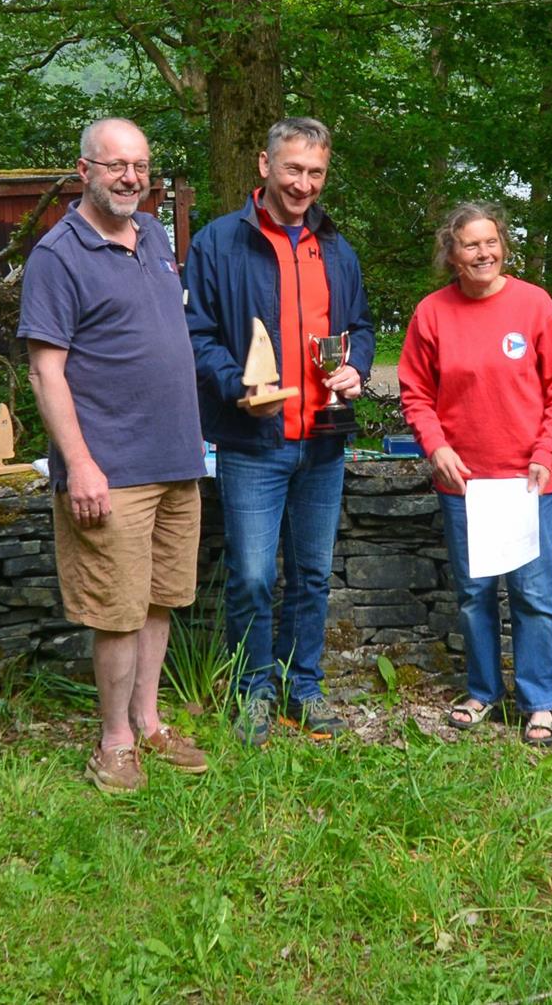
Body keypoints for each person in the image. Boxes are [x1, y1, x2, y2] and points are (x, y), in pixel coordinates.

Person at [18, 117, 208, 793]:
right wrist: (82, 463)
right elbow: (47, 371)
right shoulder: (57, 255)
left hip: (177, 460)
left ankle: (151, 723)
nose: (132, 176)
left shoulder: (154, 234)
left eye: (141, 165)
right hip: (112, 469)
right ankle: (114, 741)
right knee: (117, 610)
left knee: (158, 601)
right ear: (85, 171)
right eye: (117, 164)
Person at [184, 117, 375, 745]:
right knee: (253, 577)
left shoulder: (337, 247)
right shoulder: (217, 243)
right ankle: (254, 691)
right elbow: (197, 335)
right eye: (293, 169)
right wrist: (239, 389)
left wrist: (356, 368)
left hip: (323, 441)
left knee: (313, 573)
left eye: (315, 172)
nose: (304, 183)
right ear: (265, 167)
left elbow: (363, 327)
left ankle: (305, 688)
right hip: (251, 444)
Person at [398, 202, 552, 746]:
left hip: (528, 481)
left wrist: (546, 451)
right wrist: (436, 447)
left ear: (503, 246)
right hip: (464, 484)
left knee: (532, 594)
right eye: (470, 244)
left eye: (491, 241)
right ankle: (483, 691)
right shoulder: (431, 313)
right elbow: (415, 393)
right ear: (450, 254)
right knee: (474, 594)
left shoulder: (535, 305)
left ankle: (541, 701)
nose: (484, 253)